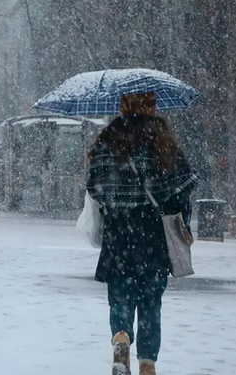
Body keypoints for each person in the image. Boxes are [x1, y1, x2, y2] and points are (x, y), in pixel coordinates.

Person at [86, 93, 198, 375]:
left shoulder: (108, 140)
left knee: (120, 294)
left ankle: (121, 337)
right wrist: (183, 219)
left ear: (123, 107)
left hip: (119, 233)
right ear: (152, 107)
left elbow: (95, 187)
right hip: (153, 235)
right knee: (150, 302)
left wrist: (118, 200)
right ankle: (147, 362)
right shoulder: (163, 141)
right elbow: (181, 188)